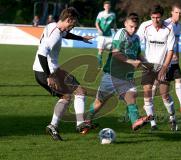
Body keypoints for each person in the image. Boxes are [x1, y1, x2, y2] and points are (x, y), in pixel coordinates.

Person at [78, 13, 151, 134]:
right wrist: (131, 62)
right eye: (131, 26)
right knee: (100, 102)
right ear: (125, 24)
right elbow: (116, 53)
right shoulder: (121, 34)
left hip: (126, 77)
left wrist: (147, 64)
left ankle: (135, 121)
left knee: (131, 97)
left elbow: (138, 54)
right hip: (112, 76)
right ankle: (87, 121)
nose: (133, 29)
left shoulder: (136, 38)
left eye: (136, 27)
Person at [33, 7, 94, 141]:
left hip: (50, 70)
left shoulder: (54, 26)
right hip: (46, 72)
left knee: (73, 94)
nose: (73, 27)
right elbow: (41, 54)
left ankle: (59, 125)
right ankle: (76, 124)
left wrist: (81, 38)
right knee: (75, 93)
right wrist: (49, 76)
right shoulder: (55, 35)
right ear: (68, 20)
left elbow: (65, 34)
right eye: (72, 24)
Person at [152, 3, 181, 113]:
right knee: (158, 83)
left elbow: (175, 43)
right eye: (176, 12)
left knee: (179, 80)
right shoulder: (167, 24)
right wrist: (169, 52)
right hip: (164, 59)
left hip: (173, 59)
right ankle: (148, 103)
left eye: (180, 13)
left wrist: (177, 54)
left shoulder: (179, 26)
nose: (178, 15)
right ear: (171, 13)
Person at [137, 4, 177, 131]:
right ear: (150, 17)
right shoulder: (145, 26)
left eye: (158, 17)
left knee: (164, 94)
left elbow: (170, 50)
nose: (155, 20)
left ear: (162, 17)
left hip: (164, 65)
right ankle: (153, 123)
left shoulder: (169, 28)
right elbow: (136, 42)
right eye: (153, 17)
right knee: (147, 93)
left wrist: (165, 67)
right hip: (148, 65)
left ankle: (172, 118)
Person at [95, 1, 117, 68]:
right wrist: (99, 30)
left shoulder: (113, 14)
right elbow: (96, 23)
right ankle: (99, 65)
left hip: (109, 35)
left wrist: (116, 30)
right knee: (100, 50)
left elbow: (114, 24)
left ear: (110, 7)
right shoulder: (100, 14)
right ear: (104, 7)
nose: (107, 7)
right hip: (101, 35)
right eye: (106, 6)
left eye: (108, 6)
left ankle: (109, 65)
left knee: (111, 50)